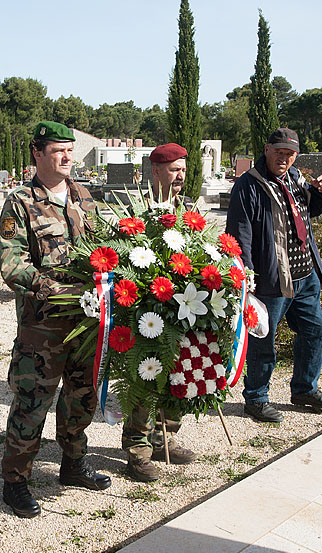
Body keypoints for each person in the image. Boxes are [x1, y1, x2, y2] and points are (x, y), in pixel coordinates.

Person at [0, 121, 111, 518]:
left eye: (69, 150)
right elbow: (12, 265)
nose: (67, 157)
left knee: (82, 396)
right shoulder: (20, 202)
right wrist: (60, 291)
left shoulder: (84, 196)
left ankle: (73, 464)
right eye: (58, 150)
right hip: (42, 327)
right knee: (32, 402)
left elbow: (106, 250)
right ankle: (15, 481)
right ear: (37, 152)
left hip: (87, 323)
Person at [226, 127, 322, 423]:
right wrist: (247, 278)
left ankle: (304, 390)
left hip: (305, 276)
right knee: (263, 340)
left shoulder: (296, 178)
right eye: (279, 152)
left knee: (315, 332)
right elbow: (240, 234)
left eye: (289, 154)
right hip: (272, 280)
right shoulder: (249, 186)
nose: (284, 158)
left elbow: (309, 211)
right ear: (267, 150)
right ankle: (256, 398)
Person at [123, 143, 198, 482]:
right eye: (174, 170)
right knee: (145, 378)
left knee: (177, 374)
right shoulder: (136, 208)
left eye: (183, 169)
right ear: (156, 171)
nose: (180, 175)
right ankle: (138, 450)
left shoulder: (188, 208)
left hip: (181, 308)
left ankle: (166, 437)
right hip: (146, 310)